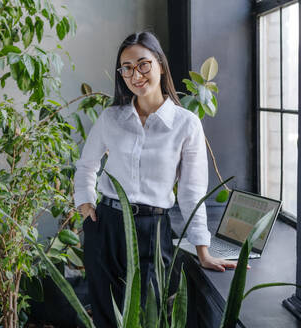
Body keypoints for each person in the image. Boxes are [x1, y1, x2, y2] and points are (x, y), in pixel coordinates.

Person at [73, 31, 238, 327]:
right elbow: (86, 165)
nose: (135, 74)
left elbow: (191, 191)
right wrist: (86, 206)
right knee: (106, 317)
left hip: (153, 228)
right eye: (127, 67)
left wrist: (203, 250)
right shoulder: (111, 118)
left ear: (160, 64)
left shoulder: (186, 124)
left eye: (143, 64)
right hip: (107, 225)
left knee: (147, 315)